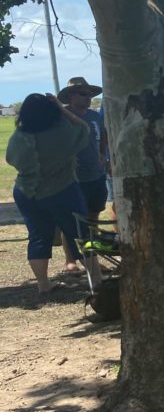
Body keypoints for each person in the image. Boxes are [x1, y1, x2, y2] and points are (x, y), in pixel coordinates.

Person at [5, 94, 101, 293]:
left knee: (38, 236)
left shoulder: (19, 136)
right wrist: (62, 108)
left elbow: (11, 160)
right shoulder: (62, 131)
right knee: (83, 234)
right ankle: (97, 278)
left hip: (26, 192)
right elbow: (85, 129)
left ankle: (43, 284)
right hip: (62, 189)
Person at [57, 77, 106, 274]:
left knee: (92, 219)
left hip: (97, 175)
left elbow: (103, 136)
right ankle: (71, 260)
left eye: (90, 94)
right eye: (83, 94)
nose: (88, 98)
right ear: (70, 95)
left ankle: (90, 258)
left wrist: (103, 155)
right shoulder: (62, 115)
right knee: (72, 221)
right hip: (73, 178)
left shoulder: (95, 116)